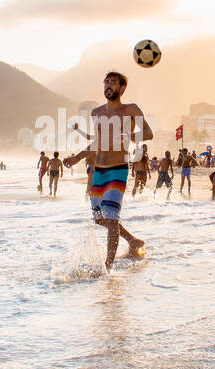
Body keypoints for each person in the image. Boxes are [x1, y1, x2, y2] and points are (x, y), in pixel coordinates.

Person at [62, 71, 152, 270]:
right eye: (106, 82)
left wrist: (128, 135)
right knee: (101, 218)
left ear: (122, 88)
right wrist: (77, 157)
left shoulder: (131, 109)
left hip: (118, 169)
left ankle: (108, 267)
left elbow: (148, 133)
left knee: (111, 218)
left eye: (113, 83)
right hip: (99, 170)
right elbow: (97, 142)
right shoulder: (97, 113)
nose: (108, 86)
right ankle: (133, 240)